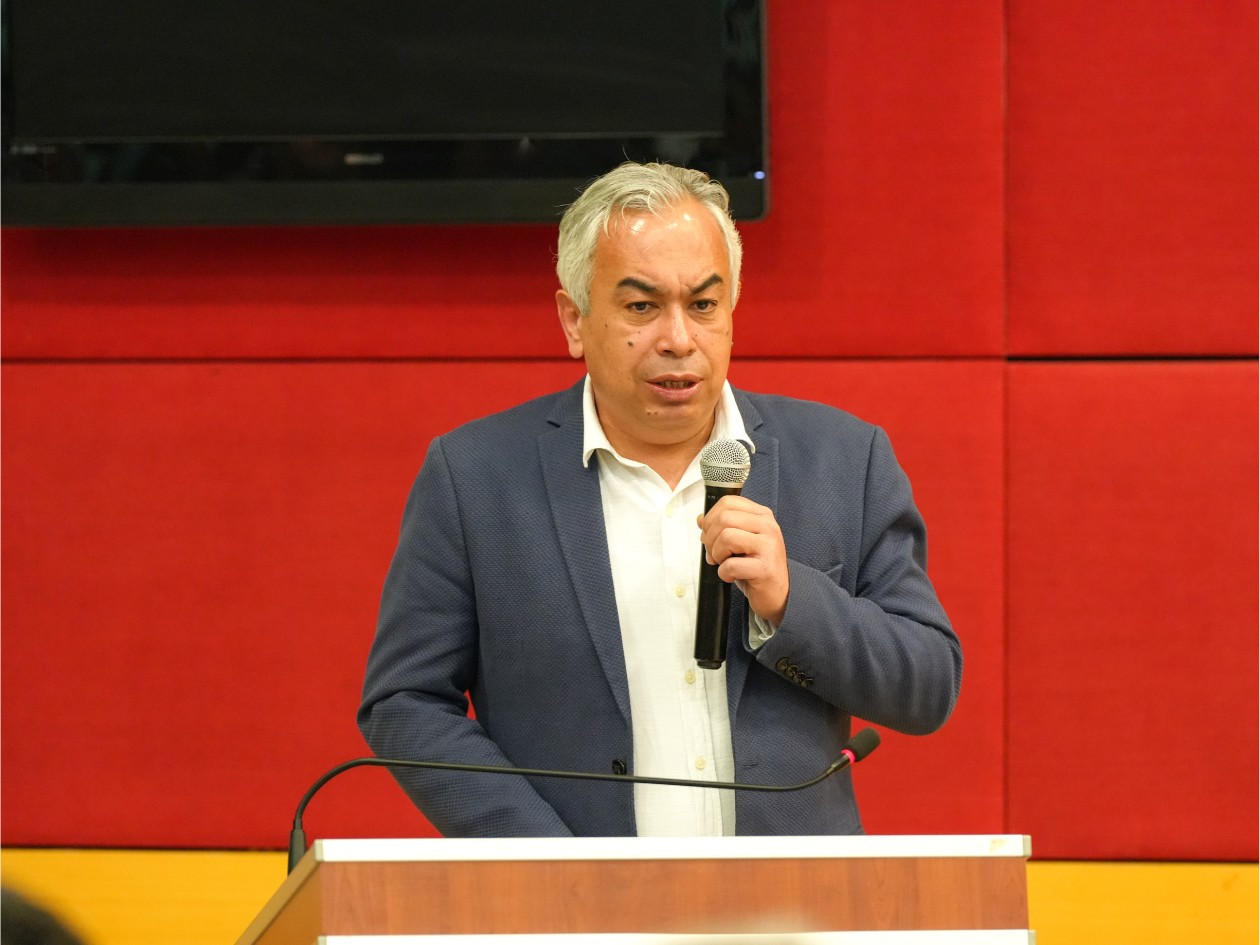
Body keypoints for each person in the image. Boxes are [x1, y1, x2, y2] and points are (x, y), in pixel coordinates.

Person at [358, 162, 961, 837]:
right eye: (642, 307)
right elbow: (405, 701)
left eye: (703, 305)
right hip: (574, 894)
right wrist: (544, 860)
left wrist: (791, 602)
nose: (678, 339)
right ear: (574, 319)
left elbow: (928, 685)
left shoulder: (844, 460)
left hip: (791, 895)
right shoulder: (475, 477)